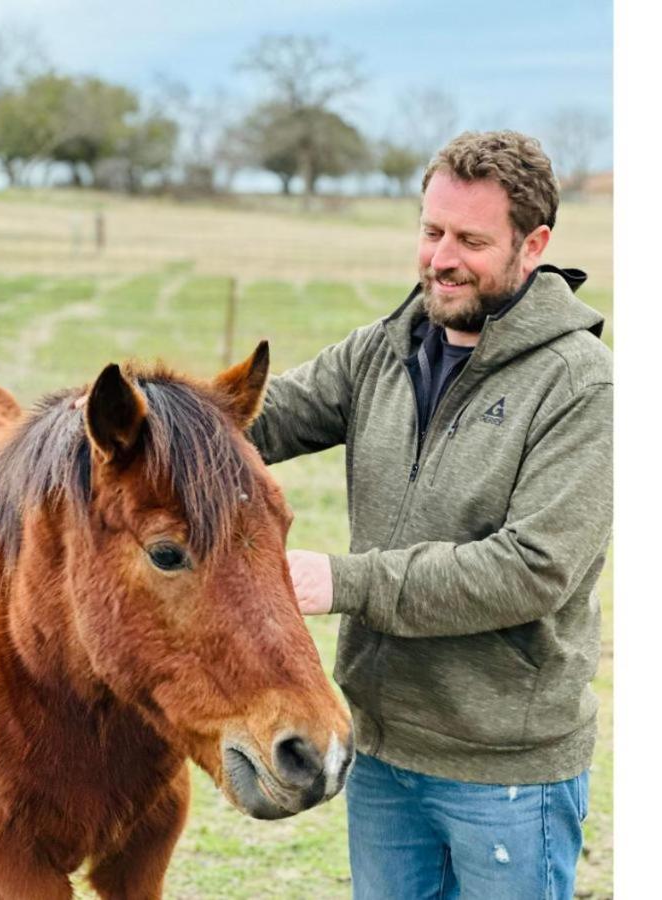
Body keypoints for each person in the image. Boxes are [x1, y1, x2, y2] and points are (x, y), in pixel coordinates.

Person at [246, 130, 612, 899]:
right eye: (431, 231)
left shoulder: (577, 383)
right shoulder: (386, 348)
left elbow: (533, 569)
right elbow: (266, 417)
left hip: (507, 773)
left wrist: (344, 581)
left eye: (471, 240)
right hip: (382, 750)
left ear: (533, 244)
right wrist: (137, 424)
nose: (441, 257)